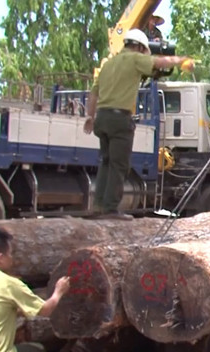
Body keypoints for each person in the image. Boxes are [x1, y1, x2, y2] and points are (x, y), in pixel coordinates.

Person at [83, 29, 194, 220]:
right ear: (139, 47)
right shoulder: (135, 58)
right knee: (120, 165)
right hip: (119, 119)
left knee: (106, 162)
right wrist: (181, 59)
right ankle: (110, 209)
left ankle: (98, 206)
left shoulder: (108, 64)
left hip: (102, 117)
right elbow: (159, 63)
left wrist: (89, 117)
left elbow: (93, 93)